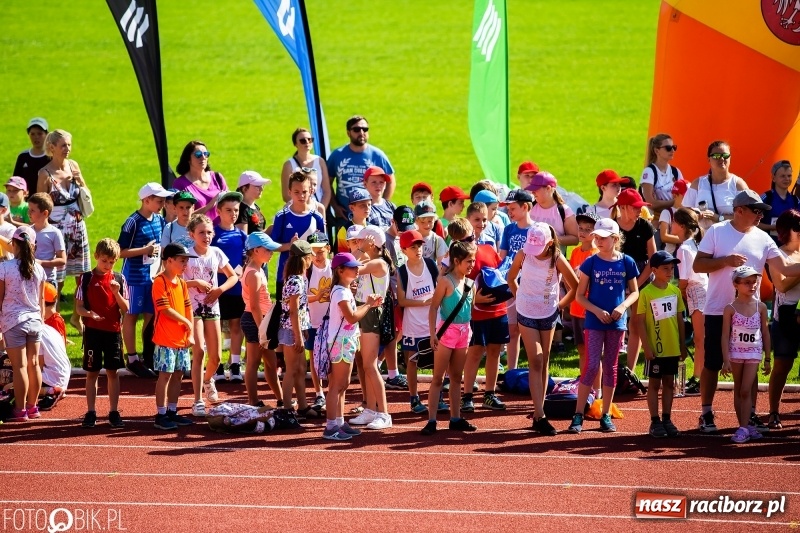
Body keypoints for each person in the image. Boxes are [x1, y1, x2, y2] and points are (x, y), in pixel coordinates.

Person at [692, 189, 800, 433]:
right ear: (739, 210)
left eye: (762, 210)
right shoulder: (717, 231)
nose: (760, 215)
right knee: (712, 362)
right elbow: (698, 264)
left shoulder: (763, 238)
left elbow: (785, 267)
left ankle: (750, 413)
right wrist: (725, 261)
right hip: (718, 309)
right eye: (756, 210)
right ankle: (706, 412)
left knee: (751, 360)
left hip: (751, 314)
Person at [569, 219, 639, 434]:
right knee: (591, 366)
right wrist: (597, 311)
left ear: (615, 239)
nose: (597, 240)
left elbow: (635, 292)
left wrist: (623, 306)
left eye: (602, 237)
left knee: (611, 367)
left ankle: (606, 414)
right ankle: (578, 414)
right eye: (596, 236)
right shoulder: (591, 262)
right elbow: (579, 296)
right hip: (593, 322)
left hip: (617, 323)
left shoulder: (627, 262)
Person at [508, 223, 578, 435]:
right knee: (536, 359)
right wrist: (519, 294)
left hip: (548, 313)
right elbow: (510, 277)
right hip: (526, 312)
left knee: (545, 359)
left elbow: (574, 286)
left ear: (549, 243)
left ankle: (539, 412)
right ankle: (540, 414)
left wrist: (559, 306)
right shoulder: (523, 255)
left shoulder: (556, 257)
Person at [183, 214, 240, 417]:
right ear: (192, 234)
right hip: (193, 309)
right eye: (201, 232)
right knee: (199, 351)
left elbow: (233, 276)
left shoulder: (216, 253)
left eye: (209, 232)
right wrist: (195, 283)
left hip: (213, 308)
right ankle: (197, 399)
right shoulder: (186, 255)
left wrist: (220, 290)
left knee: (215, 358)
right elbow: (174, 282)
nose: (206, 236)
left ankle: (208, 380)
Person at [322, 253, 383, 441]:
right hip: (340, 343)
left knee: (343, 385)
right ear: (340, 270)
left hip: (344, 341)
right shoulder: (340, 292)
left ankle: (339, 422)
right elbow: (352, 317)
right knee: (337, 386)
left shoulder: (344, 290)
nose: (357, 270)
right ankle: (331, 425)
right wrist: (369, 304)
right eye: (352, 267)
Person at [421, 240, 477, 435]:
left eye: (473, 260)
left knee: (456, 377)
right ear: (456, 260)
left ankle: (455, 418)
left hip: (464, 333)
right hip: (447, 332)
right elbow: (434, 307)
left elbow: (470, 310)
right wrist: (432, 334)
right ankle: (431, 420)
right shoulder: (445, 281)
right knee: (438, 377)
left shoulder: (471, 283)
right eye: (468, 261)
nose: (472, 264)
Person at [74, 238, 129, 428]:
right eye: (104, 260)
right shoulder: (86, 278)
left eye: (112, 262)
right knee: (92, 372)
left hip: (113, 332)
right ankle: (91, 411)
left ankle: (114, 411)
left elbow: (126, 308)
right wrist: (90, 314)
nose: (107, 265)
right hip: (93, 333)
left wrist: (116, 293)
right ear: (97, 257)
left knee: (113, 372)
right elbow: (79, 307)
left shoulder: (120, 279)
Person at [119, 182, 170, 378]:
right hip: (133, 277)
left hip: (153, 276)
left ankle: (149, 356)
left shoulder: (159, 220)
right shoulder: (132, 221)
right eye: (159, 201)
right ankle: (132, 358)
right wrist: (145, 251)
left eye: (163, 200)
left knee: (151, 315)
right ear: (146, 200)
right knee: (131, 315)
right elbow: (120, 252)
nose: (162, 204)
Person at [461, 203, 509, 411]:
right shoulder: (462, 250)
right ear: (468, 221)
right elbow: (456, 281)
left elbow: (498, 275)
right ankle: (467, 396)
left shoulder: (490, 248)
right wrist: (475, 300)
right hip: (476, 312)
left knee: (495, 351)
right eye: (476, 220)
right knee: (475, 352)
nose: (481, 224)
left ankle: (489, 394)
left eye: (484, 220)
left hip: (498, 310)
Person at [348, 226, 394, 430]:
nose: (357, 244)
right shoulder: (372, 261)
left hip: (371, 314)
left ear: (372, 243)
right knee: (366, 365)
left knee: (370, 365)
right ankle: (371, 410)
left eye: (361, 241)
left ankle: (383, 413)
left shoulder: (378, 263)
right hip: (364, 311)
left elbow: (349, 265)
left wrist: (361, 249)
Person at [636, 251, 687, 438]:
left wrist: (682, 345)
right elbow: (639, 322)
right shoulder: (646, 293)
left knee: (669, 383)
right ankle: (654, 420)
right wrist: (646, 347)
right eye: (665, 268)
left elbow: (680, 320)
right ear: (654, 270)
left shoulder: (675, 292)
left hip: (672, 347)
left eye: (672, 268)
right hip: (655, 349)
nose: (670, 272)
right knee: (654, 384)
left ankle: (667, 418)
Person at [36, 129, 91, 301]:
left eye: (69, 145)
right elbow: (40, 202)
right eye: (63, 145)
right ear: (52, 147)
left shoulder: (73, 166)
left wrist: (80, 179)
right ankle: (54, 313)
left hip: (77, 225)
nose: (67, 148)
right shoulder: (44, 174)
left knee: (81, 275)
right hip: (57, 229)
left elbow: (86, 193)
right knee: (57, 277)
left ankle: (78, 316)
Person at [0, 226, 46, 422]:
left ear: (13, 244)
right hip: (34, 320)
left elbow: (0, 297)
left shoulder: (5, 268)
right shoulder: (39, 268)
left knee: (19, 367)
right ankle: (33, 407)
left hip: (13, 321)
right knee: (34, 364)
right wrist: (40, 319)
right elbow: (42, 299)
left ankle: (20, 410)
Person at [722, 266, 771, 444]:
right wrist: (725, 359)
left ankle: (744, 426)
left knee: (745, 389)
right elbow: (725, 335)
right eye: (747, 283)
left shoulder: (761, 307)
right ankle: (744, 425)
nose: (752, 286)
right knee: (739, 388)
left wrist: (767, 358)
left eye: (754, 282)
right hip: (736, 352)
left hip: (753, 353)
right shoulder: (730, 309)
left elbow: (765, 333)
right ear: (736, 284)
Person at [151, 243, 196, 430]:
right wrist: (186, 323)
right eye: (182, 260)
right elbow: (165, 308)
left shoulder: (182, 283)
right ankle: (160, 414)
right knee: (165, 375)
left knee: (178, 375)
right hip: (165, 338)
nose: (185, 264)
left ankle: (172, 411)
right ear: (169, 261)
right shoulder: (159, 282)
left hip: (181, 340)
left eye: (186, 260)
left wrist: (190, 330)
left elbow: (188, 308)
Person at [614, 188, 656, 372]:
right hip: (616, 277)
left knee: (637, 323)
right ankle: (612, 369)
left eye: (641, 207)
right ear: (623, 207)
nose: (640, 210)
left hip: (642, 276)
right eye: (635, 207)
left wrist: (635, 286)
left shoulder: (645, 226)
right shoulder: (613, 228)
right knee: (614, 324)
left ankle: (630, 371)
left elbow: (653, 260)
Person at [397, 229, 438, 413]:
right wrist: (422, 302)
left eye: (419, 245)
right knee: (412, 362)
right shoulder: (402, 272)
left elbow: (441, 288)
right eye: (413, 247)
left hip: (433, 324)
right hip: (412, 326)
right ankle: (414, 398)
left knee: (438, 361)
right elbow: (401, 301)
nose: (417, 250)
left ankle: (438, 397)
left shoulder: (430, 265)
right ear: (404, 250)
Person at [327, 116, 395, 226]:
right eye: (357, 129)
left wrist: (382, 204)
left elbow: (391, 181)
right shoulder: (337, 155)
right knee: (344, 243)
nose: (362, 132)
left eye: (365, 129)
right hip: (345, 216)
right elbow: (326, 183)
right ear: (348, 133)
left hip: (372, 216)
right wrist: (335, 207)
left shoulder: (378, 155)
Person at [240, 232, 283, 407]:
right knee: (253, 362)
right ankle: (253, 400)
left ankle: (281, 399)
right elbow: (255, 306)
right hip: (256, 321)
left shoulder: (258, 269)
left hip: (261, 320)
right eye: (268, 250)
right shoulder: (254, 274)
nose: (272, 253)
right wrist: (262, 330)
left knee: (271, 363)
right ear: (256, 251)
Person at [766, 210, 800, 430]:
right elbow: (781, 285)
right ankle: (773, 412)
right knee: (782, 366)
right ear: (790, 231)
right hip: (786, 316)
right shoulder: (777, 255)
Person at [278, 239, 317, 421]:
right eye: (310, 257)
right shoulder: (296, 281)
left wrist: (304, 328)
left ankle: (302, 406)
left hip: (297, 329)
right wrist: (299, 336)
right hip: (291, 330)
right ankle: (286, 408)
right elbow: (293, 310)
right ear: (305, 259)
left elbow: (300, 306)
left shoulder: (299, 279)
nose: (312, 260)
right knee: (292, 370)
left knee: (301, 369)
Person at [211, 192, 248, 382]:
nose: (233, 214)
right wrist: (226, 273)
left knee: (236, 325)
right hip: (217, 288)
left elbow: (246, 258)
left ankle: (234, 365)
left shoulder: (242, 235)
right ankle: (217, 366)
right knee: (216, 327)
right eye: (228, 210)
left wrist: (241, 270)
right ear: (218, 211)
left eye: (236, 210)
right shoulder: (213, 234)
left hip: (236, 289)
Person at [271, 171, 325, 298]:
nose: (301, 195)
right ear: (289, 192)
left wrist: (316, 247)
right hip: (285, 274)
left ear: (311, 191)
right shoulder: (282, 216)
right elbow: (272, 246)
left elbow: (323, 248)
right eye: (297, 192)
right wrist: (290, 246)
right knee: (285, 314)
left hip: (310, 274)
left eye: (304, 192)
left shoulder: (317, 218)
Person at [498, 189, 535, 370]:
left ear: (525, 207)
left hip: (531, 286)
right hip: (511, 285)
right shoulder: (508, 229)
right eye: (508, 208)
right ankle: (512, 371)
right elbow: (502, 257)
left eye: (512, 208)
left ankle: (534, 368)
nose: (509, 212)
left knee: (530, 330)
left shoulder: (537, 230)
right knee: (513, 330)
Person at [673, 207, 706, 395]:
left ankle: (699, 378)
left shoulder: (684, 248)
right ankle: (699, 377)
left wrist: (679, 298)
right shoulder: (694, 244)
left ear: (682, 225)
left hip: (696, 292)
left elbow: (684, 281)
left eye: (674, 222)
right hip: (701, 291)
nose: (671, 225)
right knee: (701, 340)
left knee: (700, 340)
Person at [683, 140, 748, 230]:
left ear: (730, 158)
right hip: (702, 239)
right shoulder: (697, 183)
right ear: (708, 159)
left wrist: (719, 218)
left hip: (729, 238)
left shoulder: (738, 184)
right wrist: (696, 215)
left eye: (725, 156)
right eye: (716, 156)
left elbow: (747, 217)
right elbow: (683, 214)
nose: (721, 159)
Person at [569, 212, 599, 390]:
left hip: (590, 308)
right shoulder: (574, 252)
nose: (583, 232)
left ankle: (594, 388)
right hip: (575, 308)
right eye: (581, 228)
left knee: (592, 352)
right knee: (581, 349)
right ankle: (583, 385)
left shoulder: (596, 255)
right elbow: (572, 280)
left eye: (588, 229)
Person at [306, 231, 333, 414]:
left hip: (332, 322)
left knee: (331, 357)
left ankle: (332, 391)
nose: (316, 256)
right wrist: (316, 297)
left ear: (328, 249)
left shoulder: (335, 268)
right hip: (312, 321)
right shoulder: (306, 270)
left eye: (320, 251)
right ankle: (318, 392)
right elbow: (298, 296)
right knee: (314, 358)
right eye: (313, 252)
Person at [173, 140, 229, 224]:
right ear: (188, 159)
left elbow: (231, 205)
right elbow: (179, 218)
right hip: (196, 234)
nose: (203, 157)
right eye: (198, 155)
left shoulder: (217, 178)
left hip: (221, 232)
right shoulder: (180, 184)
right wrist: (209, 206)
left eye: (206, 154)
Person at [281, 128, 332, 212]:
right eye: (303, 140)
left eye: (310, 139)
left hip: (318, 209)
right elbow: (286, 195)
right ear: (295, 144)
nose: (307, 142)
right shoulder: (289, 165)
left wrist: (320, 210)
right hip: (298, 211)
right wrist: (302, 210)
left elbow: (326, 190)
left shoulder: (320, 161)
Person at [527, 172, 579, 246]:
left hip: (555, 257)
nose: (533, 192)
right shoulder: (529, 207)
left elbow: (575, 239)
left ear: (548, 188)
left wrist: (550, 240)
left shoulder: (564, 211)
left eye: (536, 189)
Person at [640, 133, 684, 220]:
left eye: (674, 147)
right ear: (657, 151)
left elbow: (685, 197)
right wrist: (675, 202)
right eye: (668, 148)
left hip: (675, 219)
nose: (672, 151)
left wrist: (663, 203)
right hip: (656, 220)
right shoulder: (649, 172)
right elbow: (651, 204)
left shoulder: (676, 171)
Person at [27, 193, 66, 289]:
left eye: (32, 210)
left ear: (45, 213)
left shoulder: (54, 233)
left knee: (48, 304)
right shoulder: (28, 231)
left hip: (48, 280)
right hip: (30, 280)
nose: (29, 213)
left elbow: (62, 259)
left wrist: (41, 263)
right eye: (29, 209)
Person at [759, 160, 799, 244]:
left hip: (790, 249)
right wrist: (772, 227)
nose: (787, 179)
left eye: (789, 176)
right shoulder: (765, 198)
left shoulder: (795, 200)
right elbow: (752, 223)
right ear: (773, 178)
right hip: (768, 247)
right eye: (782, 176)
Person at [35, 322, 70, 413]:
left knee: (12, 386)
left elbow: (38, 364)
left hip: (51, 377)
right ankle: (52, 390)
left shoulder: (34, 333)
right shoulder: (50, 329)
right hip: (62, 375)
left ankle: (50, 390)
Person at [13, 117, 50, 195]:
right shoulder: (23, 157)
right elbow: (16, 182)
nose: (36, 137)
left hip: (48, 202)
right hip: (27, 204)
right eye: (32, 134)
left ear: (47, 134)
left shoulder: (51, 157)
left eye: (40, 133)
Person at [657, 179, 689, 254]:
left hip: (687, 253)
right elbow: (664, 236)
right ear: (675, 195)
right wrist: (686, 240)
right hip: (672, 255)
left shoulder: (691, 212)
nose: (688, 199)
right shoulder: (667, 212)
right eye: (685, 196)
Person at [414, 200, 448, 268]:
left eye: (430, 221)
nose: (427, 225)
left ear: (434, 220)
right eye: (422, 222)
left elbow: (441, 265)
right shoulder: (411, 237)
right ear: (416, 221)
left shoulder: (438, 240)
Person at [235, 170, 270, 235]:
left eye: (262, 185)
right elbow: (243, 238)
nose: (261, 189)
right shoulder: (241, 209)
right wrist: (269, 230)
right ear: (244, 188)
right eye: (257, 186)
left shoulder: (256, 207)